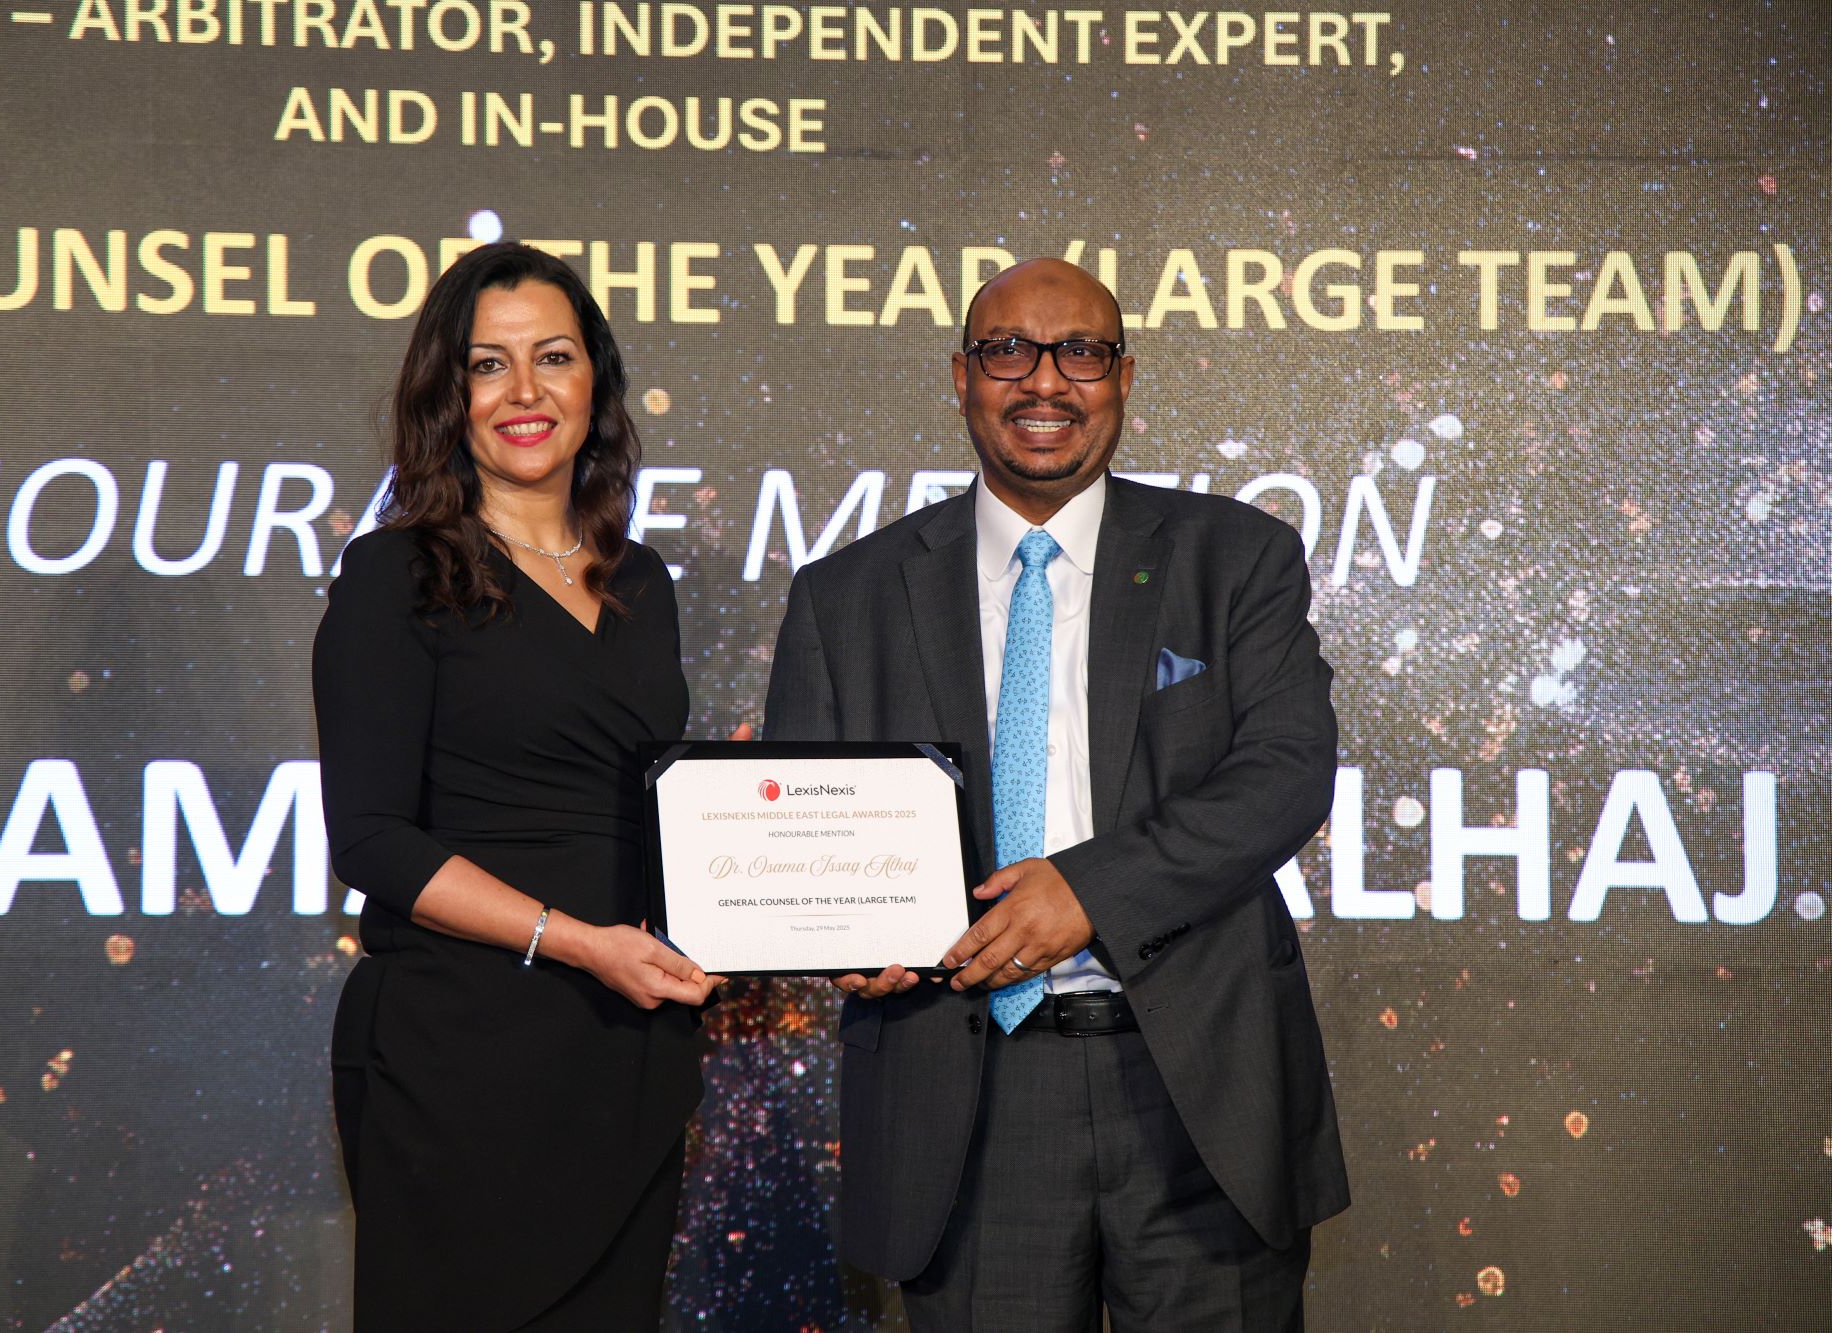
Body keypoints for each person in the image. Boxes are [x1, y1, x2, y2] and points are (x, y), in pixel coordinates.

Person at [764, 258, 1349, 1330]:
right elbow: (804, 823)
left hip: (1197, 1090)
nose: (1044, 381)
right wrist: (836, 928)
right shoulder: (845, 598)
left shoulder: (1234, 558)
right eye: (1007, 352)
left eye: (1079, 352)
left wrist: (1086, 893)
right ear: (960, 376)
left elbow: (1285, 771)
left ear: (1122, 376)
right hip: (966, 1104)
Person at [314, 242, 722, 1331]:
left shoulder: (642, 582)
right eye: (487, 365)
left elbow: (659, 816)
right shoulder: (395, 575)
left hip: (622, 1058)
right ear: (448, 397)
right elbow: (372, 839)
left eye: (553, 356)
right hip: (460, 1058)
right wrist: (577, 941)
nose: (524, 392)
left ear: (596, 380)